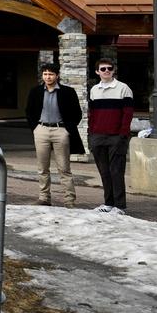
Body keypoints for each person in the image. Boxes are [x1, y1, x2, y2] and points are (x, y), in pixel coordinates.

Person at [24, 62, 83, 207]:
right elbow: (29, 111)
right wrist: (35, 128)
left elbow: (77, 113)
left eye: (51, 74)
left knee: (64, 168)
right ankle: (44, 198)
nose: (48, 77)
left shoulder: (68, 92)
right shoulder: (35, 91)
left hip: (60, 131)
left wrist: (67, 129)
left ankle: (69, 200)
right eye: (45, 74)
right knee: (42, 167)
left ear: (57, 75)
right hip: (41, 130)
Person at [87, 57, 134, 215]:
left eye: (109, 68)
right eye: (103, 69)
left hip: (116, 137)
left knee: (116, 172)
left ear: (113, 70)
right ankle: (108, 203)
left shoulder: (123, 88)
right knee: (104, 171)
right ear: (97, 72)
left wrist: (123, 134)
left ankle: (119, 206)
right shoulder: (94, 90)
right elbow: (92, 114)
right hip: (98, 136)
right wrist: (91, 133)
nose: (106, 71)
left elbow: (128, 114)